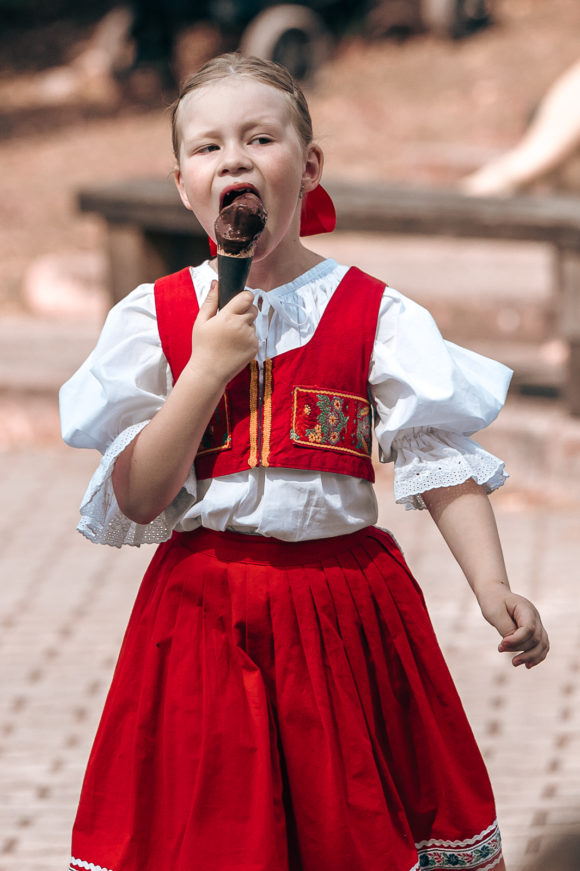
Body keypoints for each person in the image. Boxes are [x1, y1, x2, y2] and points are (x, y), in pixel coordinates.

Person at [60, 52, 549, 871]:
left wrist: (492, 585)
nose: (235, 160)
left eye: (260, 138)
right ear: (183, 182)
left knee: (346, 818)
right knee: (216, 823)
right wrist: (205, 367)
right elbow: (140, 497)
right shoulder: (156, 317)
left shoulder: (374, 312)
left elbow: (439, 458)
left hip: (344, 609)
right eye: (210, 148)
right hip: (206, 612)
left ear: (308, 166)